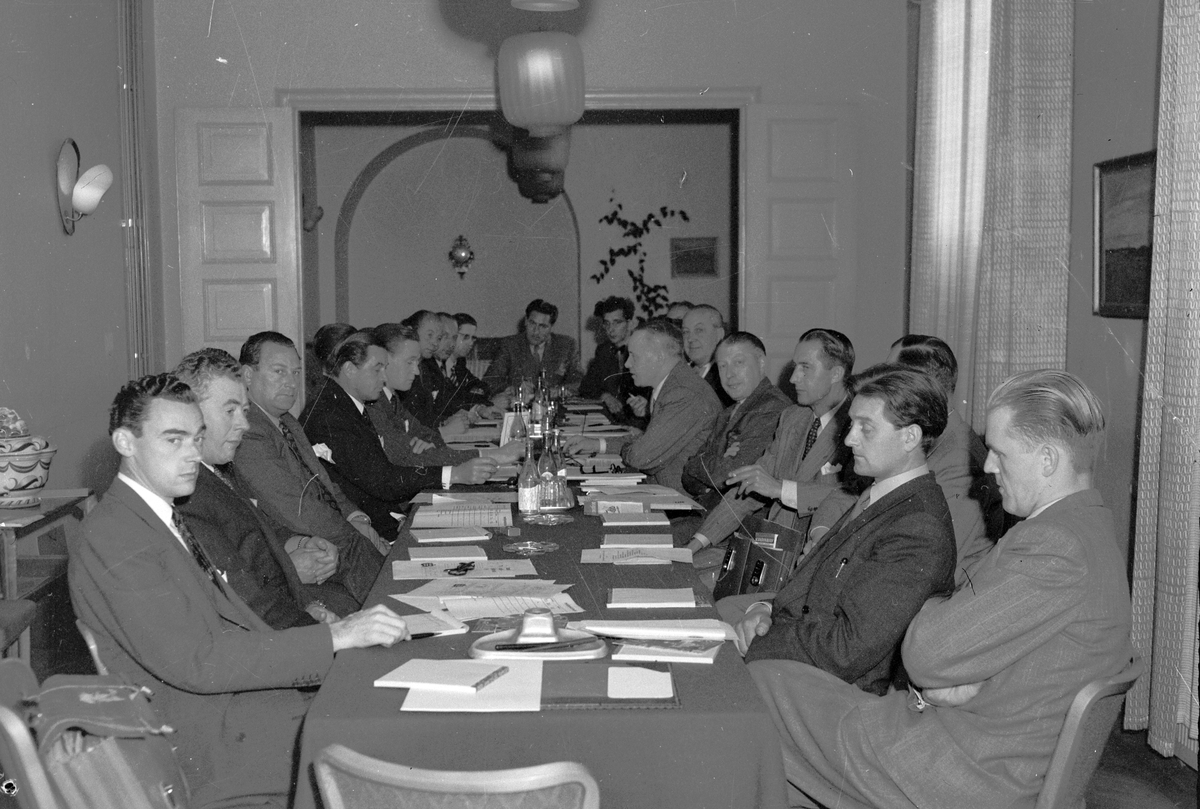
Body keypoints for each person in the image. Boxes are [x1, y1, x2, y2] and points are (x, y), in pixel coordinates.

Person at [748, 370, 1133, 809]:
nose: (987, 466)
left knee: (763, 683)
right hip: (979, 747)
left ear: (1047, 460)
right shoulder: (1086, 529)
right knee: (780, 699)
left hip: (966, 768)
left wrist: (946, 646)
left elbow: (926, 655)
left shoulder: (1055, 545)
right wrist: (962, 672)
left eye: (1000, 452)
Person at [68, 373, 410, 808]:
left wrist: (332, 643)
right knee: (393, 742)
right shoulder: (115, 537)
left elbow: (235, 626)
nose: (192, 454)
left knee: (389, 699)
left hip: (237, 709)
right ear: (125, 442)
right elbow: (200, 662)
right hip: (210, 743)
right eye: (173, 440)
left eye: (197, 438)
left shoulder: (156, 516)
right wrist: (336, 638)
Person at [721, 365, 956, 698]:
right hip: (807, 643)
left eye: (866, 428)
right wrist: (764, 610)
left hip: (839, 690)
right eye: (851, 424)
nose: (848, 439)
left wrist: (759, 641)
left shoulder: (917, 526)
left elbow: (847, 651)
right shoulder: (881, 495)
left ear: (910, 437)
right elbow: (814, 584)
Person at [173, 348, 358, 627]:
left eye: (245, 411)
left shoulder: (220, 469)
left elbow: (258, 529)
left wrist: (302, 543)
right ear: (190, 413)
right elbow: (245, 600)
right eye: (230, 411)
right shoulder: (188, 495)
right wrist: (315, 622)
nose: (243, 424)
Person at [303, 327, 496, 540]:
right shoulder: (332, 415)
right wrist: (455, 474)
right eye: (377, 369)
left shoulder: (345, 403)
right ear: (349, 369)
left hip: (385, 519)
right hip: (369, 532)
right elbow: (383, 481)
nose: (384, 377)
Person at [687, 328, 860, 554]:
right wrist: (698, 542)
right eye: (795, 366)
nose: (793, 378)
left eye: (805, 367)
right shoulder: (792, 417)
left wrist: (781, 489)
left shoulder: (858, 425)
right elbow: (748, 490)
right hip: (775, 547)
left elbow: (853, 497)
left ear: (836, 373)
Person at [234, 331, 390, 571]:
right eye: (279, 371)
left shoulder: (288, 421)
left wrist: (357, 518)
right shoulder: (248, 432)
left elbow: (326, 485)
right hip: (313, 551)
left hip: (337, 537)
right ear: (247, 375)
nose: (291, 383)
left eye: (296, 373)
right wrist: (357, 534)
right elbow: (297, 508)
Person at [564, 318, 720, 492]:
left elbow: (640, 457)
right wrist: (597, 444)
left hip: (676, 500)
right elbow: (648, 442)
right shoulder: (673, 385)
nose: (627, 363)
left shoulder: (683, 393)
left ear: (659, 356)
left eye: (633, 356)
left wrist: (631, 448)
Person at [888, 334, 999, 574]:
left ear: (922, 385)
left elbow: (931, 559)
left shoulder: (961, 461)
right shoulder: (926, 437)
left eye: (891, 381)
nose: (883, 392)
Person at [370, 322, 521, 468]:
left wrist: (430, 445)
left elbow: (427, 435)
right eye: (410, 362)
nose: (416, 371)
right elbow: (407, 456)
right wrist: (493, 455)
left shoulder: (392, 398)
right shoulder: (374, 404)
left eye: (417, 363)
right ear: (384, 360)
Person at [680, 332, 793, 500]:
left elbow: (727, 474)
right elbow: (688, 480)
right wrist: (717, 463)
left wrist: (697, 465)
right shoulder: (727, 413)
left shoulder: (773, 408)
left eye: (738, 363)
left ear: (761, 362)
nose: (729, 374)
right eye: (722, 366)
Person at [483, 298, 582, 395]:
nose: (536, 331)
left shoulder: (567, 345)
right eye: (532, 323)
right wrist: (514, 388)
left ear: (551, 327)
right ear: (526, 321)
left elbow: (579, 381)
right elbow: (490, 380)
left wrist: (560, 391)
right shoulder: (509, 345)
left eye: (543, 326)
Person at [579, 296, 649, 424]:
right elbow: (586, 386)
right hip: (610, 420)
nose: (611, 329)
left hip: (639, 421)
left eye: (617, 322)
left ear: (630, 324)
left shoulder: (644, 351)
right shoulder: (604, 350)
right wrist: (605, 396)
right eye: (607, 323)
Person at [442, 312, 499, 418]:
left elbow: (480, 385)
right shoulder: (437, 364)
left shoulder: (459, 362)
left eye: (473, 338)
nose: (470, 342)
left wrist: (477, 392)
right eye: (465, 337)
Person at [682, 304, 734, 407]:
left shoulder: (727, 377)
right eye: (685, 332)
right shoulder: (682, 372)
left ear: (719, 334)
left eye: (699, 330)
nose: (690, 338)